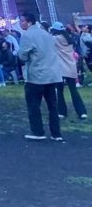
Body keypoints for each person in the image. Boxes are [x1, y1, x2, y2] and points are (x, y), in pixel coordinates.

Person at [18, 13, 63, 142]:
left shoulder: (27, 35)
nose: (21, 24)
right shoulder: (47, 34)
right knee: (52, 106)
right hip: (52, 74)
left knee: (33, 105)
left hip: (37, 75)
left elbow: (22, 56)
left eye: (22, 21)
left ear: (29, 22)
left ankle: (38, 132)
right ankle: (56, 133)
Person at [50, 23, 88, 122]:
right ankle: (82, 112)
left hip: (60, 68)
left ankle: (62, 112)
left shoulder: (55, 39)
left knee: (60, 91)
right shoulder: (69, 38)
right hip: (71, 67)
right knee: (73, 91)